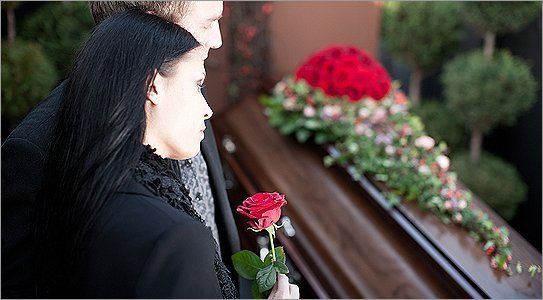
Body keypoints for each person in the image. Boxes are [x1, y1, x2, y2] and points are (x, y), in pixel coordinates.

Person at [1, 1, 299, 299]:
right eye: (208, 23)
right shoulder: (35, 148)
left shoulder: (183, 92)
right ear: (153, 28)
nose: (218, 39)